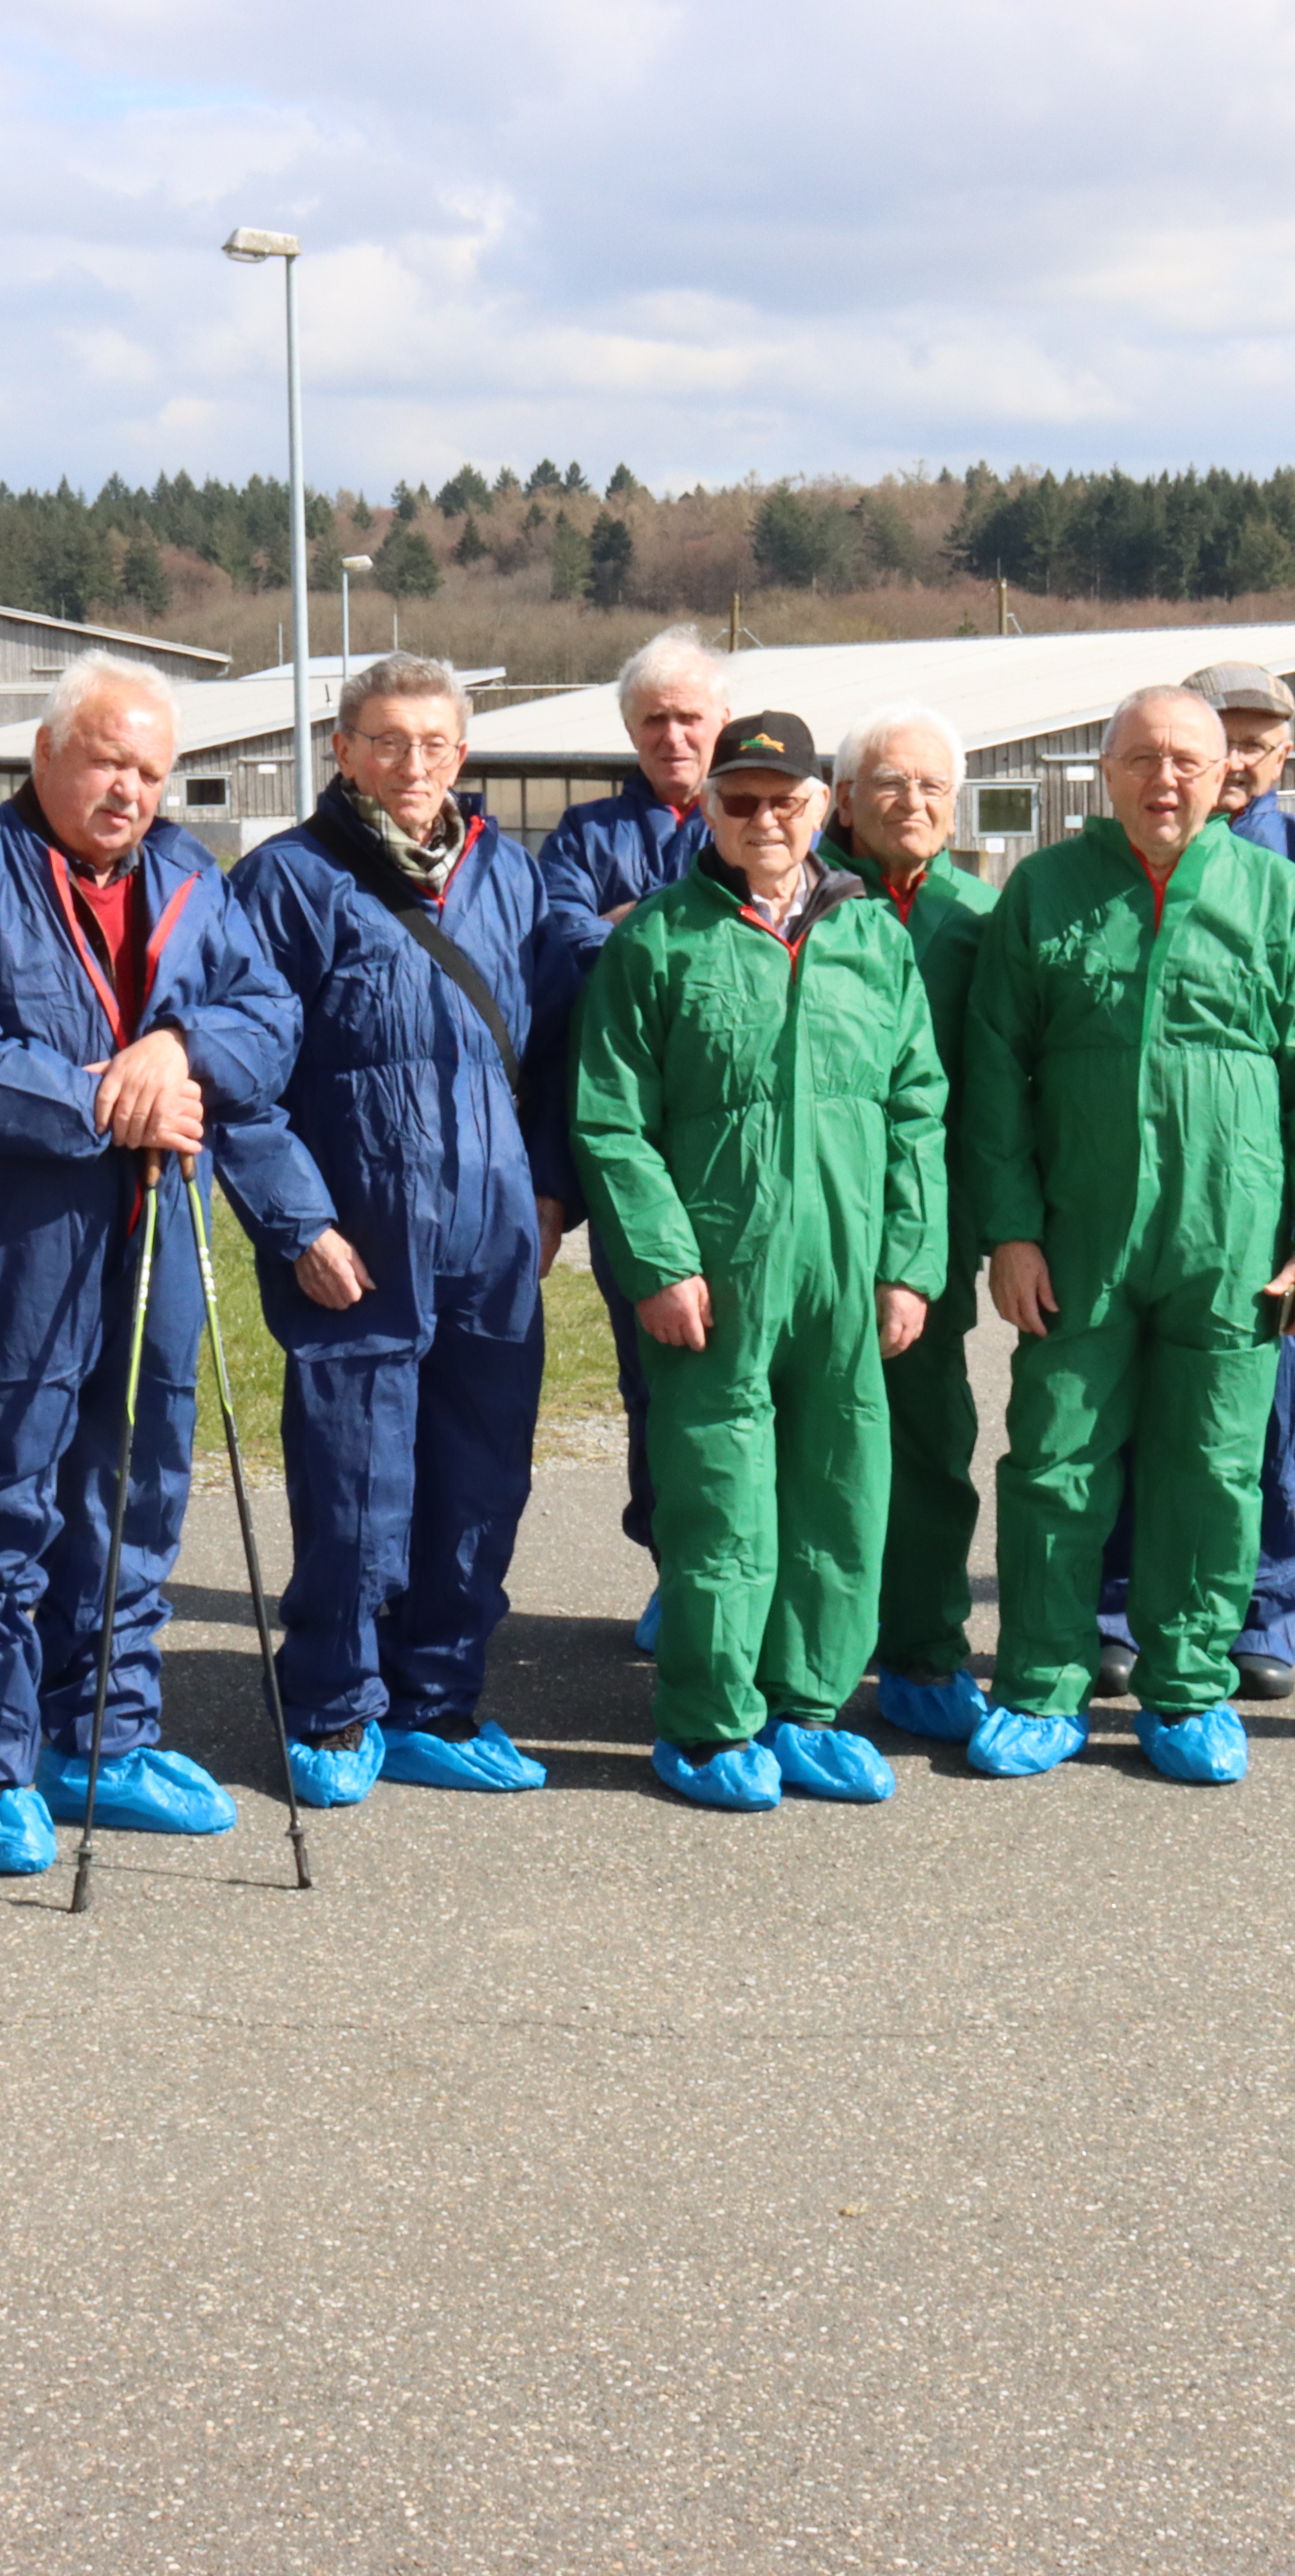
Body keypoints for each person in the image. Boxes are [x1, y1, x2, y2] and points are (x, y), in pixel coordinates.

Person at [0, 654, 302, 1875]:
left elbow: (267, 1019)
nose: (131, 790)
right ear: (48, 753)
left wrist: (182, 1043)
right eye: (111, 760)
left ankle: (102, 1737)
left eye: (154, 771)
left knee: (137, 1491)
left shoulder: (188, 874)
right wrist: (104, 1096)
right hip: (11, 1239)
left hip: (158, 1226)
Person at [960, 686, 1295, 1788]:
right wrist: (1010, 1231)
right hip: (1080, 1239)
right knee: (1055, 1461)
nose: (1167, 779)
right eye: (1143, 758)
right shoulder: (1046, 892)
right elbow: (994, 1078)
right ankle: (1041, 1682)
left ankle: (1188, 1690)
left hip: (1230, 1238)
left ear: (1226, 771)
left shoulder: (1276, 898)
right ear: (1106, 773)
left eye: (1189, 758)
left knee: (1215, 1468)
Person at [570, 710, 944, 1813]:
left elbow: (918, 1106)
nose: (766, 819)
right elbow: (610, 1122)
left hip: (845, 1262)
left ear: (823, 806)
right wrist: (658, 1262)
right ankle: (709, 1718)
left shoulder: (872, 937)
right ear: (711, 811)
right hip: (718, 1268)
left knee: (840, 1486)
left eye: (786, 799)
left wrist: (908, 1263)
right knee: (720, 1494)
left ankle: (808, 1706)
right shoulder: (658, 941)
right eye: (741, 800)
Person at [216, 654, 562, 1804]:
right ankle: (332, 1703)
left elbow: (563, 1043)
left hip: (497, 1236)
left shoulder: (509, 876)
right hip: (357, 1233)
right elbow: (243, 1082)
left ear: (463, 753)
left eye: (435, 743)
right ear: (342, 749)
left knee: (480, 1481)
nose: (413, 765)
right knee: (355, 1479)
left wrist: (551, 1188)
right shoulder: (286, 883)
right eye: (386, 741)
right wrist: (296, 1222)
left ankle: (439, 1699)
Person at [1094, 659, 1295, 1702]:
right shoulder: (1107, 865)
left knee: (1262, 1421)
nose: (1241, 759)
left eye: (1258, 741)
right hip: (1134, 1208)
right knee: (1125, 1414)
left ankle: (1263, 1607)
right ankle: (1120, 1608)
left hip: (1253, 1198)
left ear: (1275, 753)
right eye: (1226, 735)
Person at [531, 626, 730, 1649]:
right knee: (654, 1373)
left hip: (741, 1157)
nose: (672, 734)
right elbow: (563, 947)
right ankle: (673, 1563)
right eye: (653, 719)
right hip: (629, 1154)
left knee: (753, 1371)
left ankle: (752, 1566)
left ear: (721, 722)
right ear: (629, 729)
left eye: (689, 715)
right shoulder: (580, 835)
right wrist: (679, 925)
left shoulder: (769, 815)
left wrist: (635, 923)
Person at [813, 704, 1002, 1748]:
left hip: (934, 1226)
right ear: (844, 800)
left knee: (930, 1438)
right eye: (890, 783)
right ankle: (805, 1658)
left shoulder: (981, 918)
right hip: (808, 1215)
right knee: (811, 1444)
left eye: (934, 786)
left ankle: (926, 1649)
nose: (914, 802)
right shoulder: (802, 903)